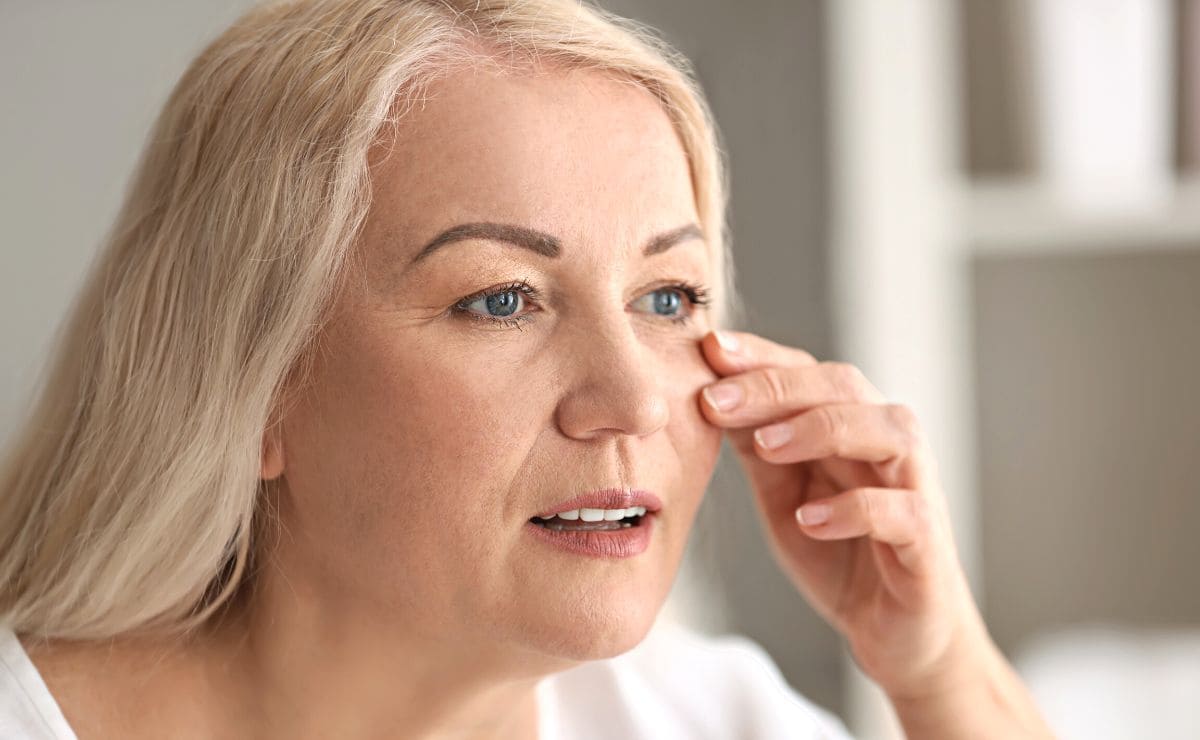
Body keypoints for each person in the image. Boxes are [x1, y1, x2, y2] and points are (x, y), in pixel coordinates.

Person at [0, 0, 1055, 737]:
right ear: (255, 383)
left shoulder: (703, 713)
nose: (635, 396)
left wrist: (939, 669)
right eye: (502, 299)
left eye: (668, 298)